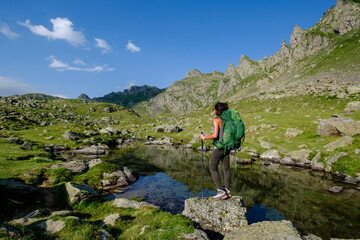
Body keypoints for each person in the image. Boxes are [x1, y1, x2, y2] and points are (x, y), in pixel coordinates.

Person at [200, 102, 231, 200]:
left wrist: (204, 137)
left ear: (217, 110)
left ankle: (220, 191)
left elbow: (215, 135)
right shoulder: (227, 120)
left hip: (219, 147)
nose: (212, 111)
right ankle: (227, 190)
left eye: (213, 109)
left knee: (212, 168)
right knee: (226, 168)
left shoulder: (216, 120)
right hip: (227, 147)